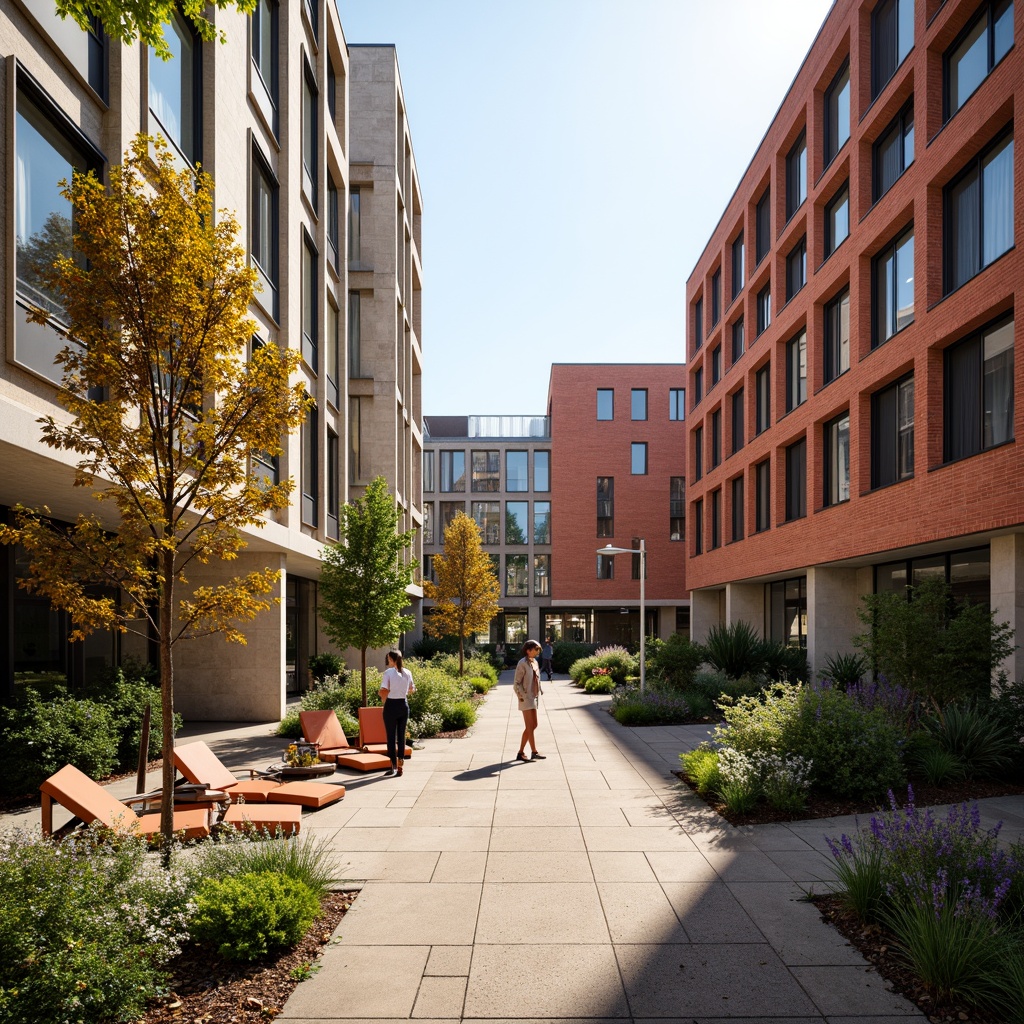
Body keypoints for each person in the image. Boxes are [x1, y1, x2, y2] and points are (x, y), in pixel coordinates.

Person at [379, 649, 415, 777]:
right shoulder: (408, 672)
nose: (388, 661)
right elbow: (412, 689)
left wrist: (382, 696)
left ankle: (392, 766)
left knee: (390, 736)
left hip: (391, 705)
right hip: (403, 705)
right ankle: (400, 766)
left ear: (392, 659)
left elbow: (384, 689)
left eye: (389, 659)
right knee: (401, 736)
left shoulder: (389, 672)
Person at [513, 639, 545, 761]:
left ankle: (520, 752)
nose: (538, 651)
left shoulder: (534, 662)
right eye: (536, 649)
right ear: (528, 650)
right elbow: (516, 683)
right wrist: (522, 696)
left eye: (538, 649)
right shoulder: (522, 663)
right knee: (530, 726)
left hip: (533, 697)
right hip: (525, 698)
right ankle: (534, 751)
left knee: (534, 725)